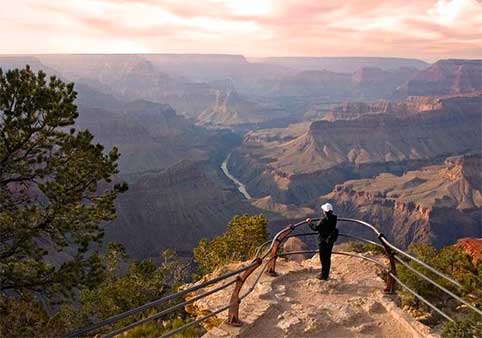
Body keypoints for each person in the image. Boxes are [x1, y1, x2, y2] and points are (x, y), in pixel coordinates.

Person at [306, 203, 338, 280]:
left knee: (323, 258)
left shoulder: (323, 220)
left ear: (324, 211)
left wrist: (309, 222)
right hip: (330, 240)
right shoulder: (334, 218)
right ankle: (326, 274)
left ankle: (323, 276)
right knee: (328, 257)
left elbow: (315, 228)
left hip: (323, 241)